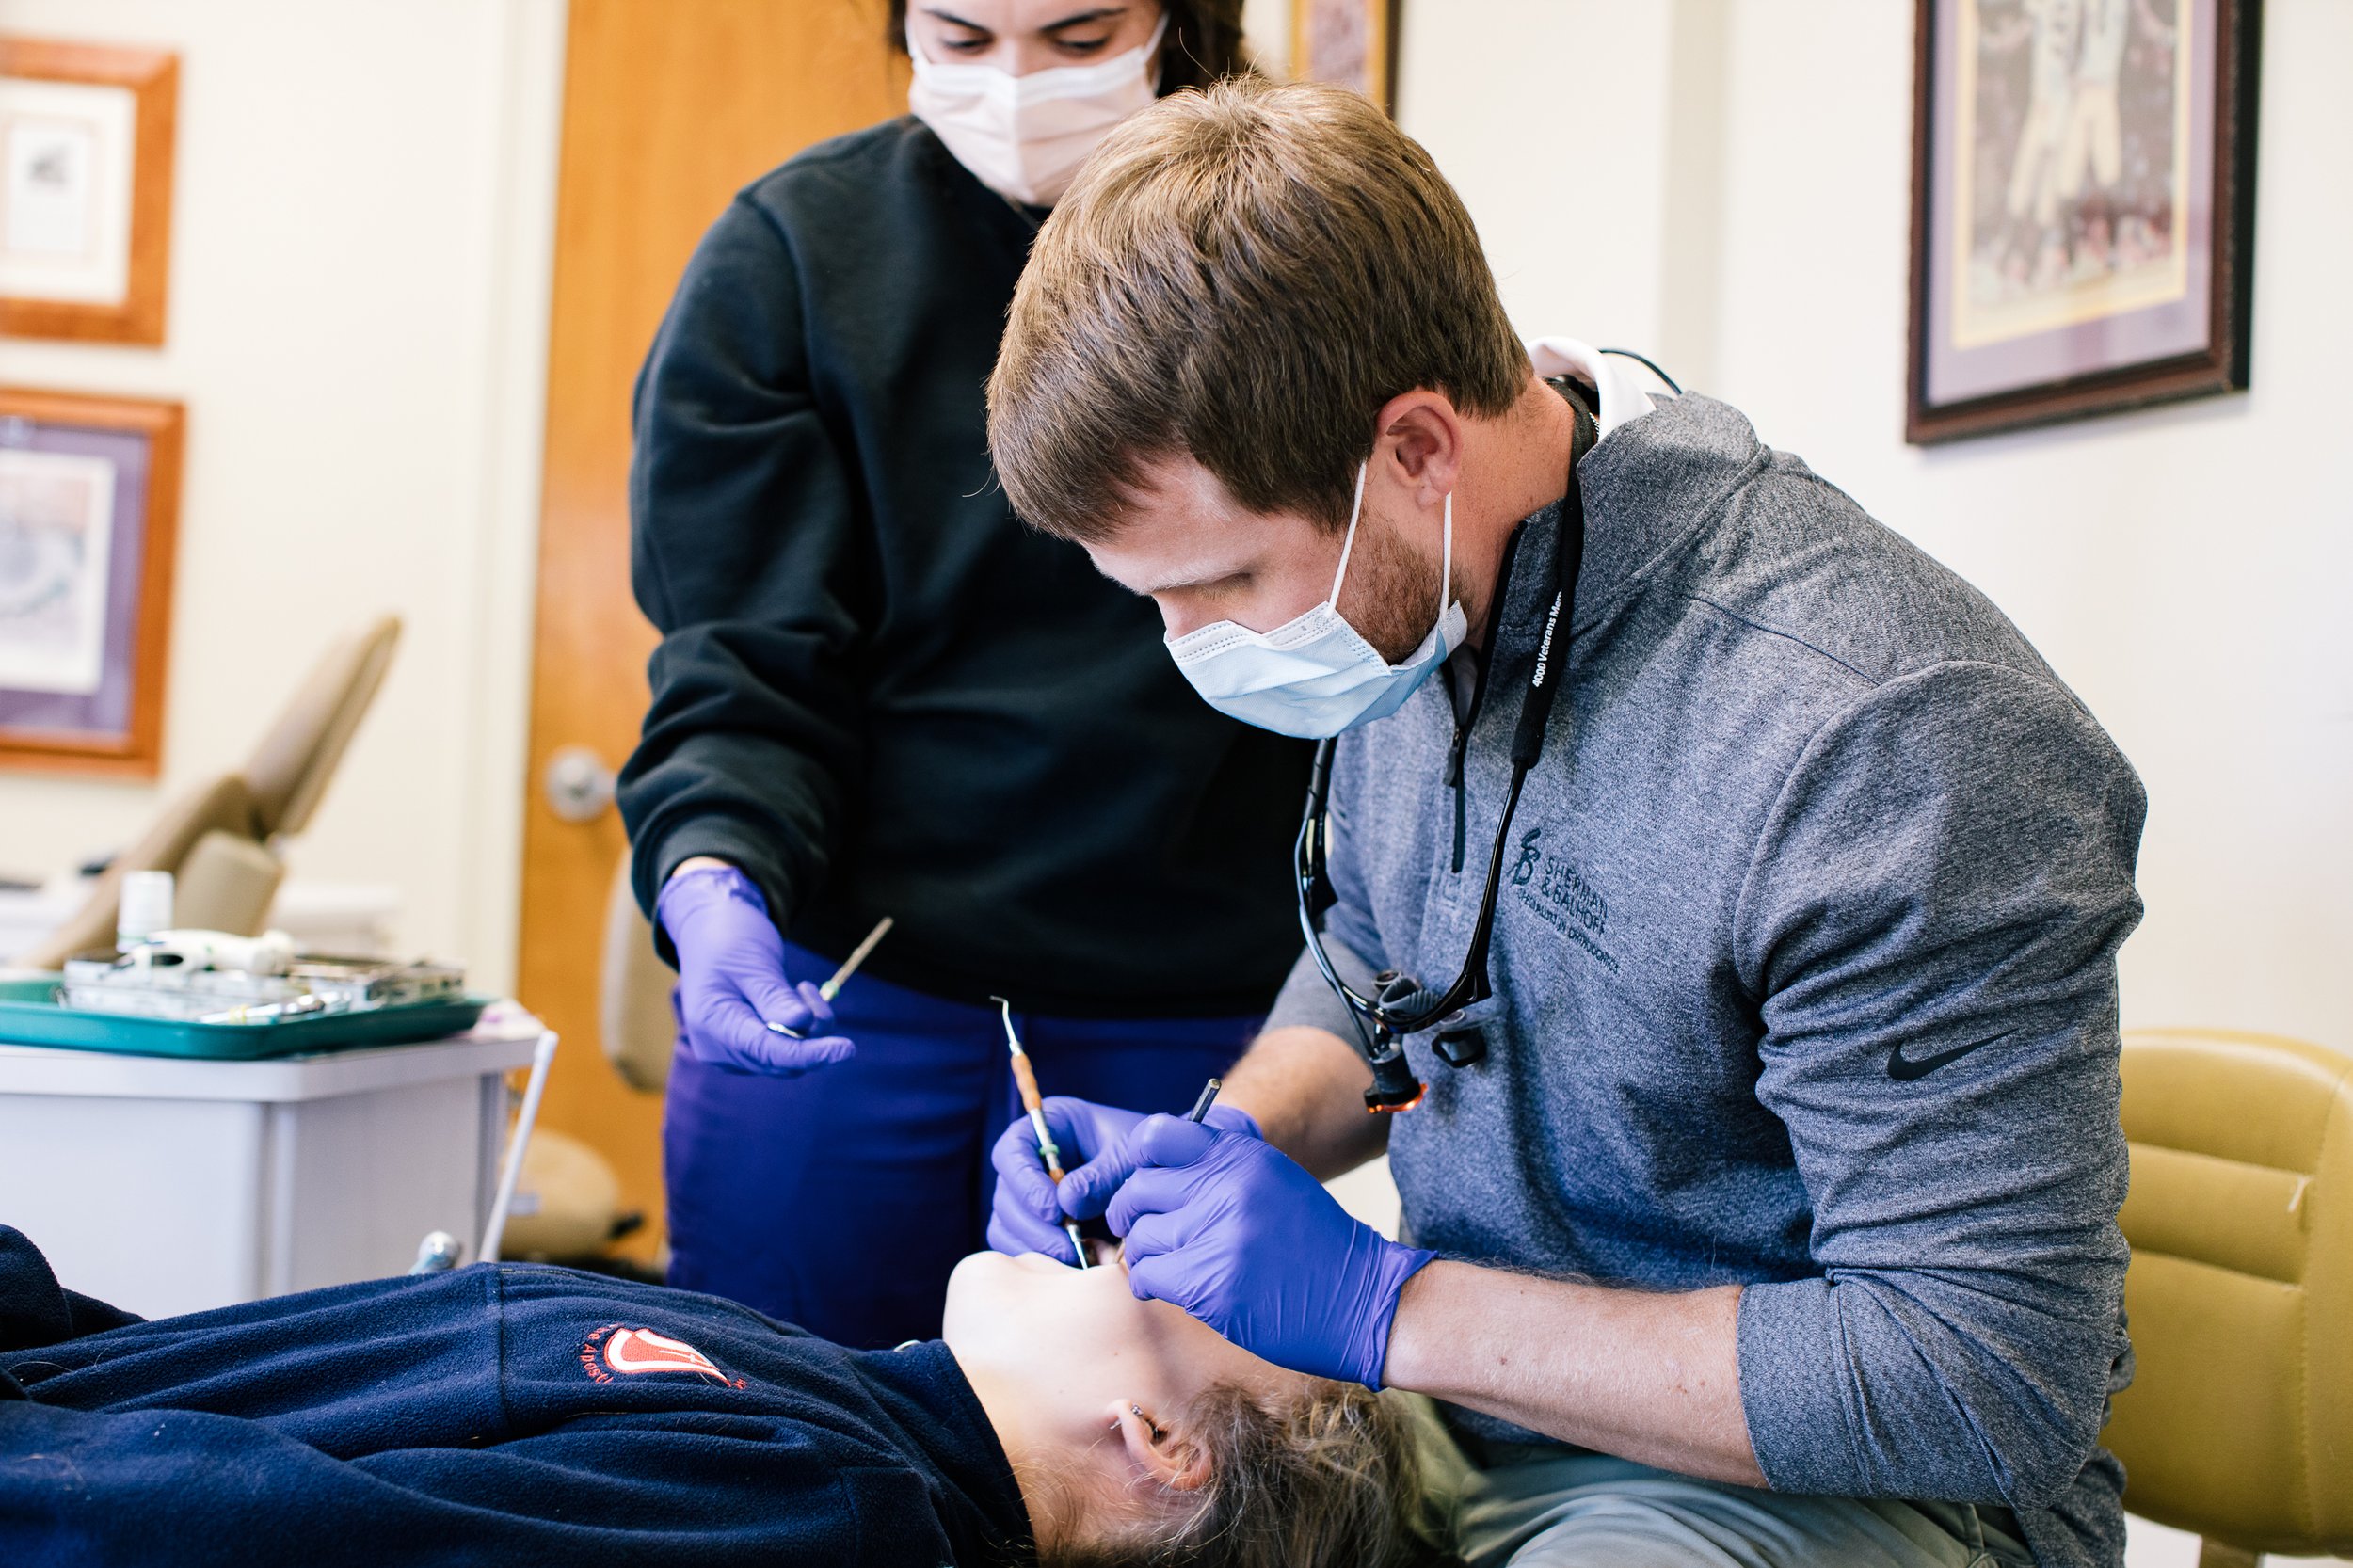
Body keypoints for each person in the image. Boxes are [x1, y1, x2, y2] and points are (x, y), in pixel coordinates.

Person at [984, 78, 2145, 1568]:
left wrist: (1381, 1306)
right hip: (1466, 1401)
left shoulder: (1881, 738)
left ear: (1415, 449)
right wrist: (1217, 1148)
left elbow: (1980, 1384)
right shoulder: (1420, 599)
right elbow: (1377, 955)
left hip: (1838, 1487)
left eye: (1221, 581)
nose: (1190, 644)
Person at [617, 0, 1299, 1349]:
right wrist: (713, 874)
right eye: (964, 36)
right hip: (855, 987)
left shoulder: (1291, 246)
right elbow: (743, 654)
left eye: (1077, 32)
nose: (1018, 86)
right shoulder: (795, 259)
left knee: (1149, 1476)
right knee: (775, 1433)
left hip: (1191, 992)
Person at [0, 1224, 1452, 1567]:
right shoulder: (845, 1418)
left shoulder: (828, 1512)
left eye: (1212, 1296)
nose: (1136, 1236)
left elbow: (245, 1527)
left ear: (1162, 1446)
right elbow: (247, 1385)